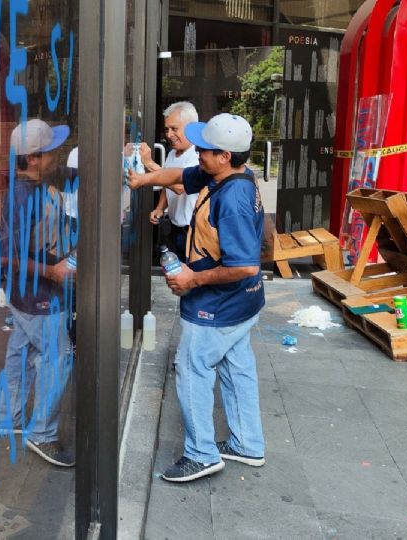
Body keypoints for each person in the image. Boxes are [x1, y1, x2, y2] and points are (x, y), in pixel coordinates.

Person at [127, 113, 266, 482]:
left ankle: (201, 454)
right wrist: (143, 179)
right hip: (244, 304)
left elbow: (246, 266)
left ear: (225, 155)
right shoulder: (227, 174)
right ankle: (247, 444)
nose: (197, 154)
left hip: (220, 305)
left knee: (191, 368)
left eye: (204, 149)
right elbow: (179, 177)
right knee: (237, 369)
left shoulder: (233, 199)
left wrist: (192, 278)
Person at [0, 118, 75, 468]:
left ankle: (9, 418)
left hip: (29, 294)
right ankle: (42, 434)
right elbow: (8, 255)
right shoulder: (20, 196)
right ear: (31, 158)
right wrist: (53, 271)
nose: (56, 155)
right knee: (57, 359)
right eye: (49, 151)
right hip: (39, 295)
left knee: (21, 351)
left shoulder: (36, 187)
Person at [141, 102, 201, 261]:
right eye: (167, 129)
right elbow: (165, 185)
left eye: (174, 129)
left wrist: (149, 164)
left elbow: (180, 187)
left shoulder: (198, 155)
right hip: (175, 228)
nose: (169, 134)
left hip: (192, 231)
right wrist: (160, 208)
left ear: (191, 128)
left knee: (189, 279)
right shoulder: (172, 153)